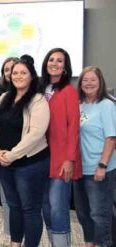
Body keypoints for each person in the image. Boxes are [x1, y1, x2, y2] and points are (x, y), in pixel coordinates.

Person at [0, 56, 50, 247]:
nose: (18, 76)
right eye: (15, 72)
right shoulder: (4, 97)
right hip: (5, 164)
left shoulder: (38, 99)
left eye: (23, 72)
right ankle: (15, 244)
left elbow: (36, 134)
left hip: (30, 165)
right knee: (14, 207)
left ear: (32, 76)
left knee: (30, 210)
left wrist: (11, 155)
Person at [40, 48, 82, 246]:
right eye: (51, 60)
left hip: (61, 159)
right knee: (46, 209)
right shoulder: (41, 90)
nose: (54, 63)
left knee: (58, 208)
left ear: (65, 67)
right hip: (40, 159)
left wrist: (69, 159)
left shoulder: (69, 92)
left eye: (59, 61)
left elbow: (74, 128)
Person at [74, 66, 116, 247]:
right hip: (80, 168)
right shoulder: (80, 104)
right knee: (83, 214)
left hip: (99, 169)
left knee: (99, 215)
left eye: (93, 80)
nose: (89, 83)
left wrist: (102, 165)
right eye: (85, 80)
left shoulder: (107, 105)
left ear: (100, 82)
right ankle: (89, 244)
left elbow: (112, 138)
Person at [0, 56, 19, 237]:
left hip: (25, 158)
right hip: (2, 158)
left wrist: (13, 154)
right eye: (7, 70)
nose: (11, 74)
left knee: (25, 204)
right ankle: (11, 237)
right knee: (7, 201)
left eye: (15, 69)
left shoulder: (33, 97)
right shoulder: (1, 97)